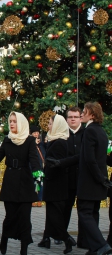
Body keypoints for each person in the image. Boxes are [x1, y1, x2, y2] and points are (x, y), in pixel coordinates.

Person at [0, 112, 42, 255]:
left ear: (21, 123)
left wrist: (38, 183)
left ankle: (24, 249)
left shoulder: (29, 141)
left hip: (25, 182)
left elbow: (35, 163)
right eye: (10, 121)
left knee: (24, 218)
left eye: (14, 121)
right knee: (10, 216)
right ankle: (4, 238)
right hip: (10, 181)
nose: (11, 124)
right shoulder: (7, 140)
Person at [76, 102, 111, 254]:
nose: (82, 114)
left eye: (84, 111)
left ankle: (101, 245)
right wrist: (102, 178)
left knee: (84, 213)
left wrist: (98, 177)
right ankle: (94, 249)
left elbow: (90, 159)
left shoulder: (89, 131)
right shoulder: (102, 132)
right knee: (93, 213)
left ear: (92, 114)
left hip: (90, 181)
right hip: (99, 180)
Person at [38, 114, 72, 254]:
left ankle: (67, 238)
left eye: (51, 124)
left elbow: (55, 164)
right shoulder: (55, 140)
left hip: (55, 185)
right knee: (51, 213)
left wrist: (47, 175)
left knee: (55, 215)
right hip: (54, 184)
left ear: (57, 125)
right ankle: (47, 238)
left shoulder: (59, 142)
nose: (48, 126)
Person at [29, 126, 45, 207]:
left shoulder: (41, 144)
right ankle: (33, 199)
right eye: (34, 133)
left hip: (40, 167)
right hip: (33, 167)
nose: (36, 134)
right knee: (34, 184)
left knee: (40, 183)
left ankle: (39, 199)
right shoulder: (30, 143)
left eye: (37, 133)